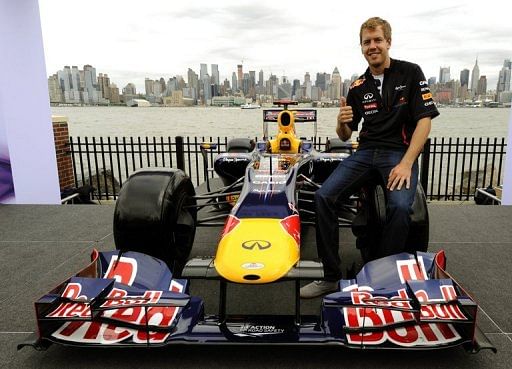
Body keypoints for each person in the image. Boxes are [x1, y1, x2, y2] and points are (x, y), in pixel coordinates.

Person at [300, 17, 439, 298]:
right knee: (324, 197)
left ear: (388, 41)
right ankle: (330, 275)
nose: (372, 46)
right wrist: (341, 121)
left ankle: (380, 278)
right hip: (365, 153)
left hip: (398, 154)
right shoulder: (358, 85)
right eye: (367, 42)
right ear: (361, 47)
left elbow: (424, 121)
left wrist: (407, 163)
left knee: (401, 208)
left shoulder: (410, 73)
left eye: (377, 40)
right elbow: (345, 134)